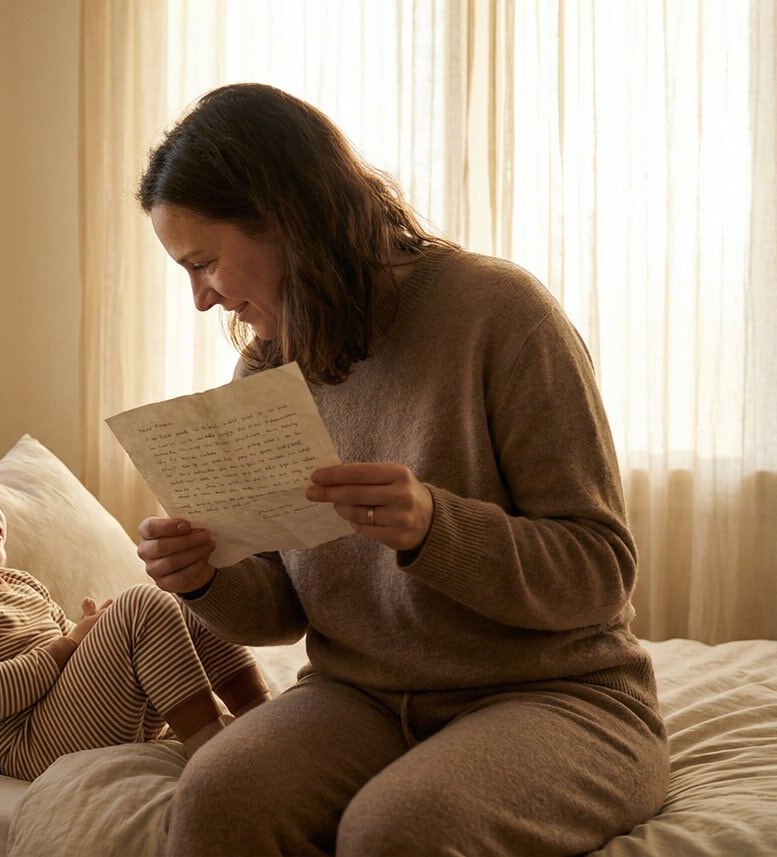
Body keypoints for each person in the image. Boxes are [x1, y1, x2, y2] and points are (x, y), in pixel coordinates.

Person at [134, 83, 668, 856]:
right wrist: (203, 578)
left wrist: (434, 527)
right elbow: (288, 609)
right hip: (362, 695)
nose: (200, 299)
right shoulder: (268, 371)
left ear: (283, 217)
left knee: (397, 830)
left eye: (205, 262)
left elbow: (600, 569)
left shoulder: (500, 312)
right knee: (216, 795)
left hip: (560, 695)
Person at [0, 414, 271, 781]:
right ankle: (217, 761)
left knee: (174, 597)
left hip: (80, 719)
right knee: (142, 605)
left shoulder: (17, 583)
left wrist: (98, 637)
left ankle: (262, 716)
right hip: (35, 746)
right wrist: (73, 644)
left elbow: (70, 656)